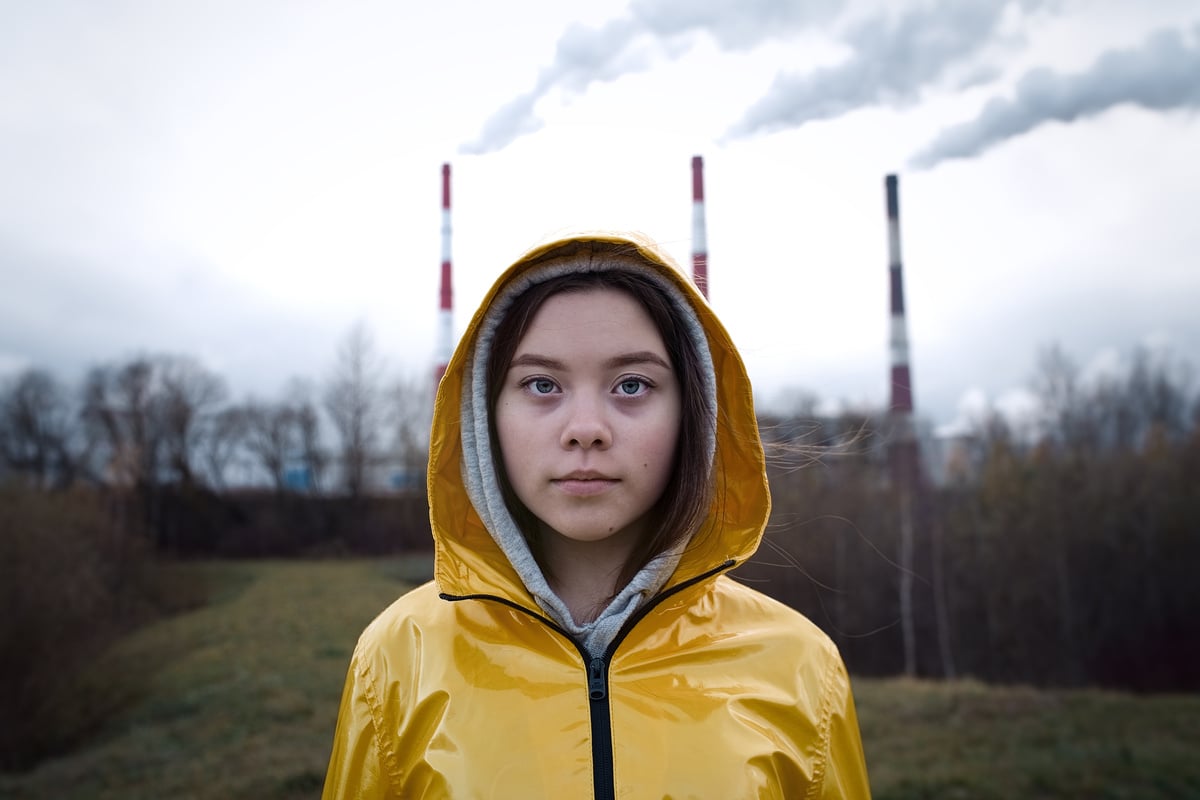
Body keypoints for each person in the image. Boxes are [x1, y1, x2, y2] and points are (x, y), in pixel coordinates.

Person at [321, 232, 872, 798]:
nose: (586, 427)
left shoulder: (801, 666)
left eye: (631, 385)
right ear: (486, 417)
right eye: (541, 384)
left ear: (694, 413)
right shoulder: (396, 658)